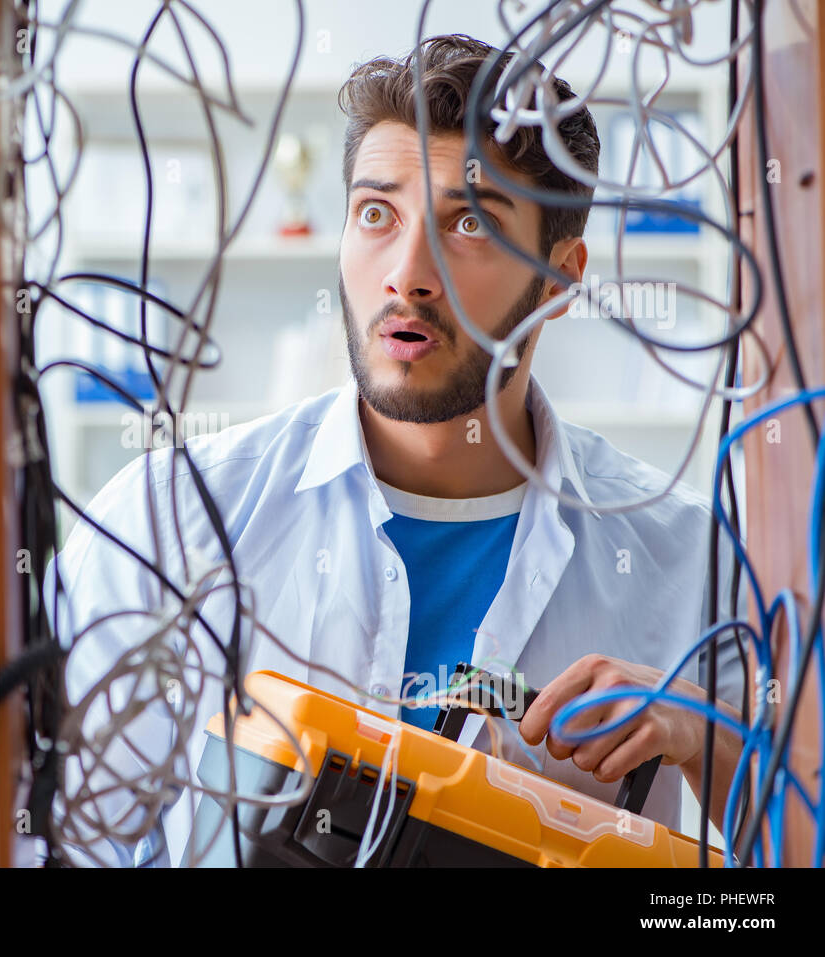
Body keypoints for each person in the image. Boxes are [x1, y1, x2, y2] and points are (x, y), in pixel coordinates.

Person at [44, 34, 745, 867]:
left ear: (560, 279)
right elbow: (59, 842)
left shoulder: (686, 560)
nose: (407, 273)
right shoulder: (164, 525)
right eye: (377, 214)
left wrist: (707, 737)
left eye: (470, 223)